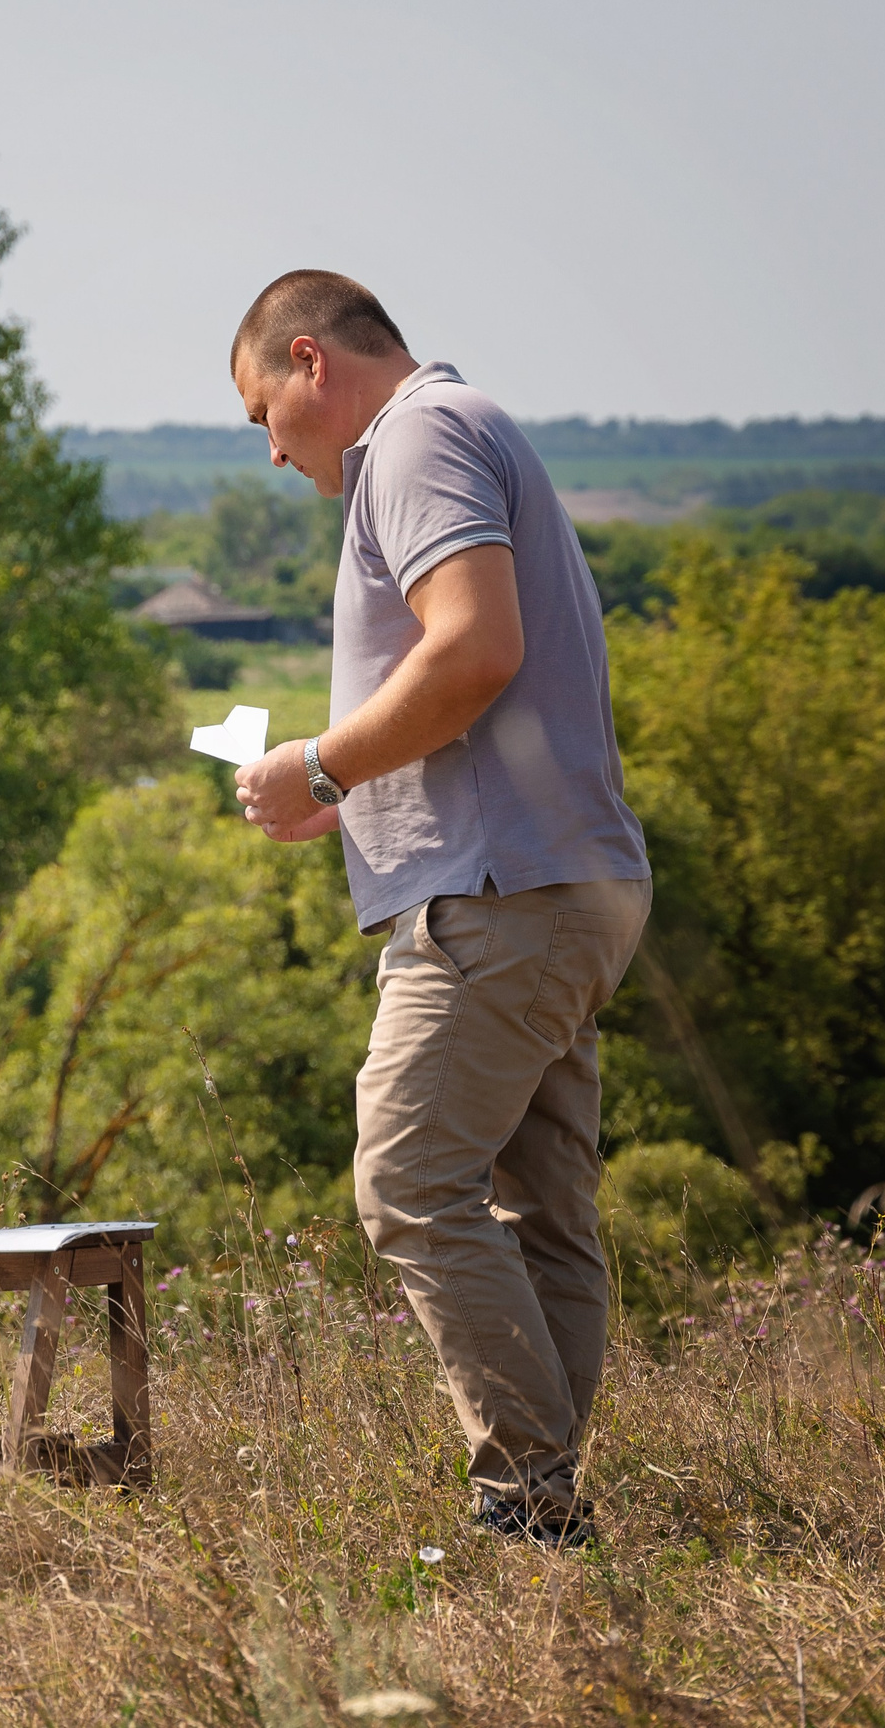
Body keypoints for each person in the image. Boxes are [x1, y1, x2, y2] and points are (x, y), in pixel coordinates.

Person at [227, 271, 652, 1548]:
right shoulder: (468, 427)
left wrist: (320, 764)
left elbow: (472, 647)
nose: (270, 449)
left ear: (311, 360)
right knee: (541, 1210)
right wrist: (354, 796)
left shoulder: (412, 439)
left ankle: (525, 1499)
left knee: (408, 1179)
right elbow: (482, 681)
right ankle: (545, 1514)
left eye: (260, 411)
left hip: (499, 894)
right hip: (563, 881)